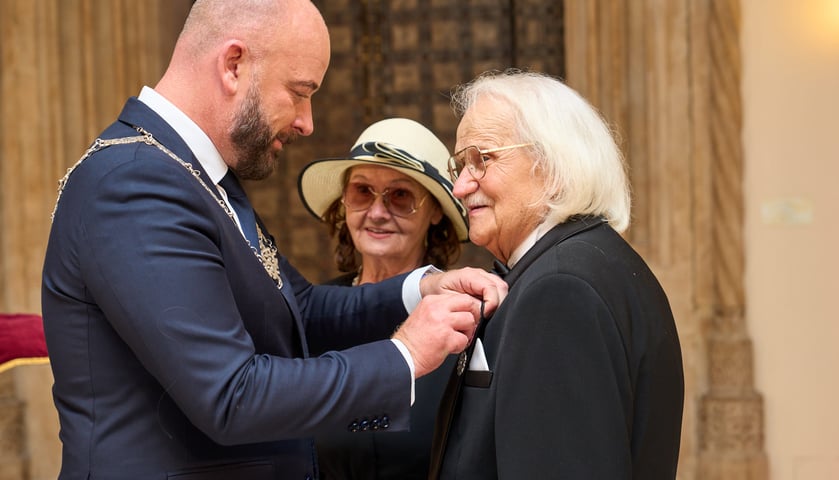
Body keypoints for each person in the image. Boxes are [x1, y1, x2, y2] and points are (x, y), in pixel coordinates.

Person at [40, 2, 507, 479]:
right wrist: (406, 354)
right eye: (299, 92)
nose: (308, 122)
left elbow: (298, 311)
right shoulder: (134, 184)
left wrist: (420, 289)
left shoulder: (197, 177)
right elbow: (230, 395)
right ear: (233, 64)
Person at [429, 70, 685, 479]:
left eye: (483, 159)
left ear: (552, 164)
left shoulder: (559, 290)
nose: (460, 186)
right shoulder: (595, 262)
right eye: (461, 164)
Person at [297, 117, 468, 479]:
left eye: (400, 195)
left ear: (436, 211)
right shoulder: (311, 316)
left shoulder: (462, 320)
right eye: (362, 191)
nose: (376, 213)